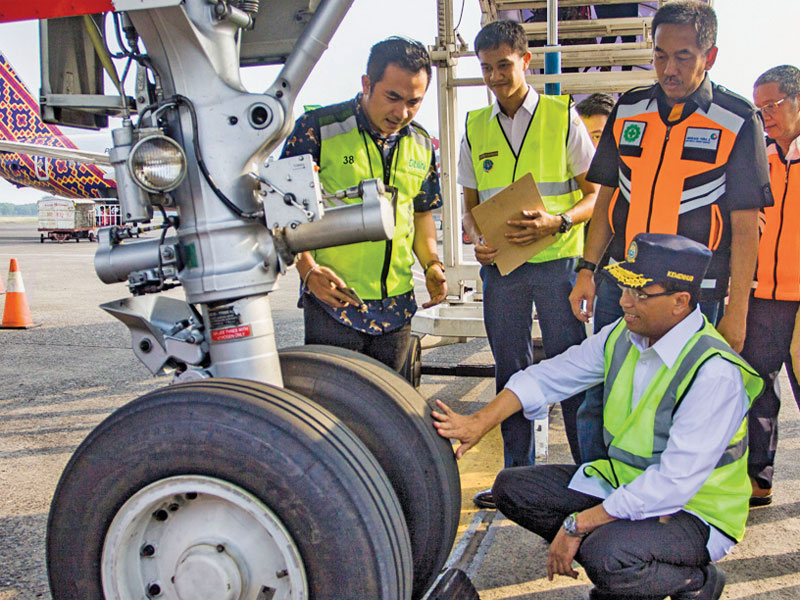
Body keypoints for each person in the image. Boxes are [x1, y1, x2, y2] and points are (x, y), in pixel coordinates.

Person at [433, 233, 764, 600]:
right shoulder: (626, 335)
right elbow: (550, 375)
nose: (624, 302)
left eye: (640, 293)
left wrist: (578, 525)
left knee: (605, 554)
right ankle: (623, 559)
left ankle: (694, 581)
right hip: (626, 482)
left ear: (680, 301)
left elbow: (673, 485)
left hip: (694, 510)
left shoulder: (714, 373)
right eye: (625, 288)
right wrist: (479, 422)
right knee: (512, 489)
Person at [569, 0, 772, 462]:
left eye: (683, 56)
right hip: (622, 286)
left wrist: (737, 312)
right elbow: (606, 199)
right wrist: (586, 270)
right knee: (601, 396)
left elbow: (746, 228)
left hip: (692, 296)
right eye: (660, 55)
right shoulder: (629, 108)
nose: (669, 69)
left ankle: (666, 498)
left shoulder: (737, 119)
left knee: (680, 404)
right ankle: (595, 487)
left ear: (710, 56)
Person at [458, 20, 599, 508]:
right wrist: (476, 239)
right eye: (486, 68)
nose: (495, 77)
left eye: (503, 65)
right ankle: (516, 478)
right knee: (510, 369)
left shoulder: (562, 117)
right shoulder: (475, 126)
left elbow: (595, 196)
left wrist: (558, 222)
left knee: (572, 369)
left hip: (558, 265)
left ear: (525, 60)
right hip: (503, 270)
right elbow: (471, 208)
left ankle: (587, 475)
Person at [280, 37, 446, 372]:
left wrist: (432, 264)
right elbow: (283, 211)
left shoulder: (421, 142)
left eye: (414, 102)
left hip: (397, 309)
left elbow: (421, 213)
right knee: (333, 401)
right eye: (392, 97)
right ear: (367, 83)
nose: (402, 113)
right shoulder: (317, 129)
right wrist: (307, 270)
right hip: (335, 304)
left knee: (390, 402)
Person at [743, 65, 800, 507]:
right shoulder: (758, 156)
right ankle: (758, 479)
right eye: (759, 108)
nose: (765, 115)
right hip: (761, 293)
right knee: (758, 387)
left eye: (773, 105)